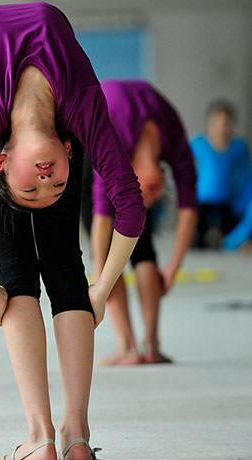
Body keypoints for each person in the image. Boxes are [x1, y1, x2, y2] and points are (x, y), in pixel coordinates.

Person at [0, 4, 145, 460]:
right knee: (16, 273)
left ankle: (74, 432)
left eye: (56, 184)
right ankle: (43, 434)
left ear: (70, 151)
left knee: (64, 268)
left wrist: (103, 289)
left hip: (21, 89)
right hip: (15, 99)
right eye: (46, 185)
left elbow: (131, 208)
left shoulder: (63, 124)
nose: (47, 180)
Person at [92, 80, 197, 366]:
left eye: (150, 195)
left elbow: (190, 209)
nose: (149, 198)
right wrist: (102, 278)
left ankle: (139, 346)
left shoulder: (174, 142)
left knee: (139, 238)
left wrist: (173, 268)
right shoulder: (111, 145)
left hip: (127, 108)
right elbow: (101, 218)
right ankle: (136, 345)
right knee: (115, 251)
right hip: (95, 115)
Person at [191, 100, 252, 249]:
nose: (221, 127)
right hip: (201, 201)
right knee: (197, 243)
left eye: (225, 122)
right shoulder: (198, 143)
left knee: (232, 230)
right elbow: (185, 172)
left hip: (227, 200)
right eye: (216, 122)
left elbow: (245, 178)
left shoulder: (238, 146)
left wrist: (244, 203)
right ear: (209, 122)